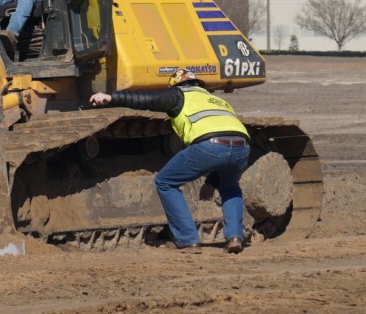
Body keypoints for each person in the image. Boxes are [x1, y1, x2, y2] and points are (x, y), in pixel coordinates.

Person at [88, 69, 251, 253]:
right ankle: (235, 237)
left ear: (175, 85)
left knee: (165, 182)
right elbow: (226, 143)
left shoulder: (179, 95)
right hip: (242, 148)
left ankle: (188, 240)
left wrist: (111, 97)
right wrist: (212, 182)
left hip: (209, 146)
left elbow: (146, 100)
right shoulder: (217, 100)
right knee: (230, 187)